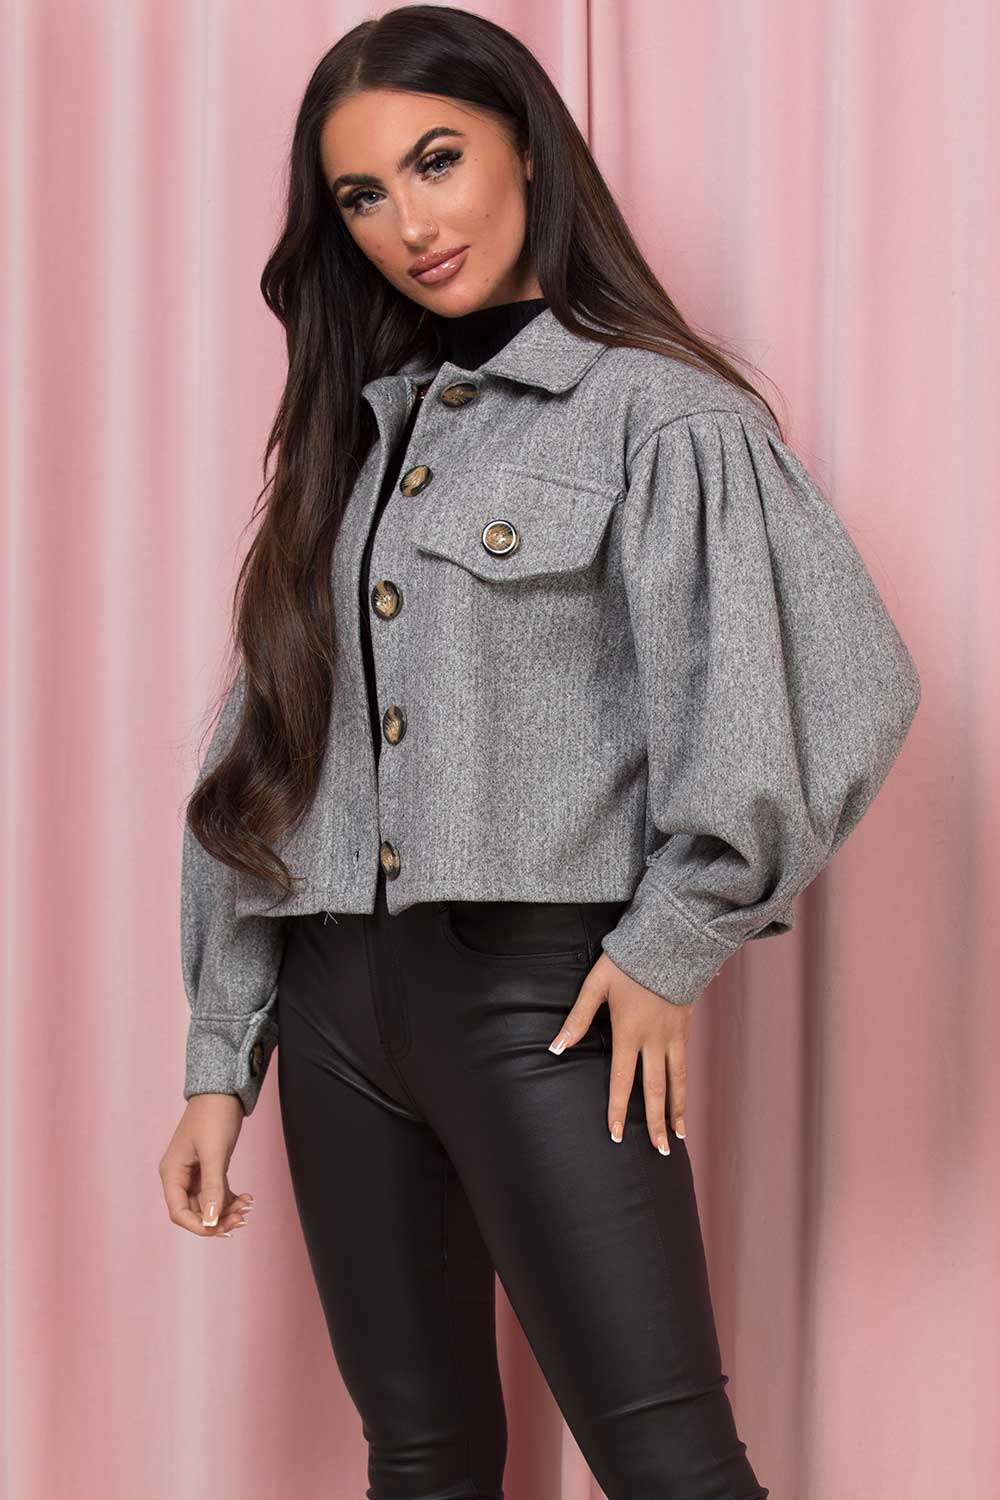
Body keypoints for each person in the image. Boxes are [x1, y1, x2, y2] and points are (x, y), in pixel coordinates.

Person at [158, 8, 921, 1498]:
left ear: (526, 146)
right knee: (421, 1459)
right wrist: (217, 1061)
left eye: (436, 160)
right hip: (330, 1005)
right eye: (362, 195)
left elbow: (837, 690)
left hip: (546, 1000)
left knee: (670, 1465)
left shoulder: (662, 420)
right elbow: (267, 755)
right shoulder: (353, 445)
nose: (408, 222)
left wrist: (673, 939)